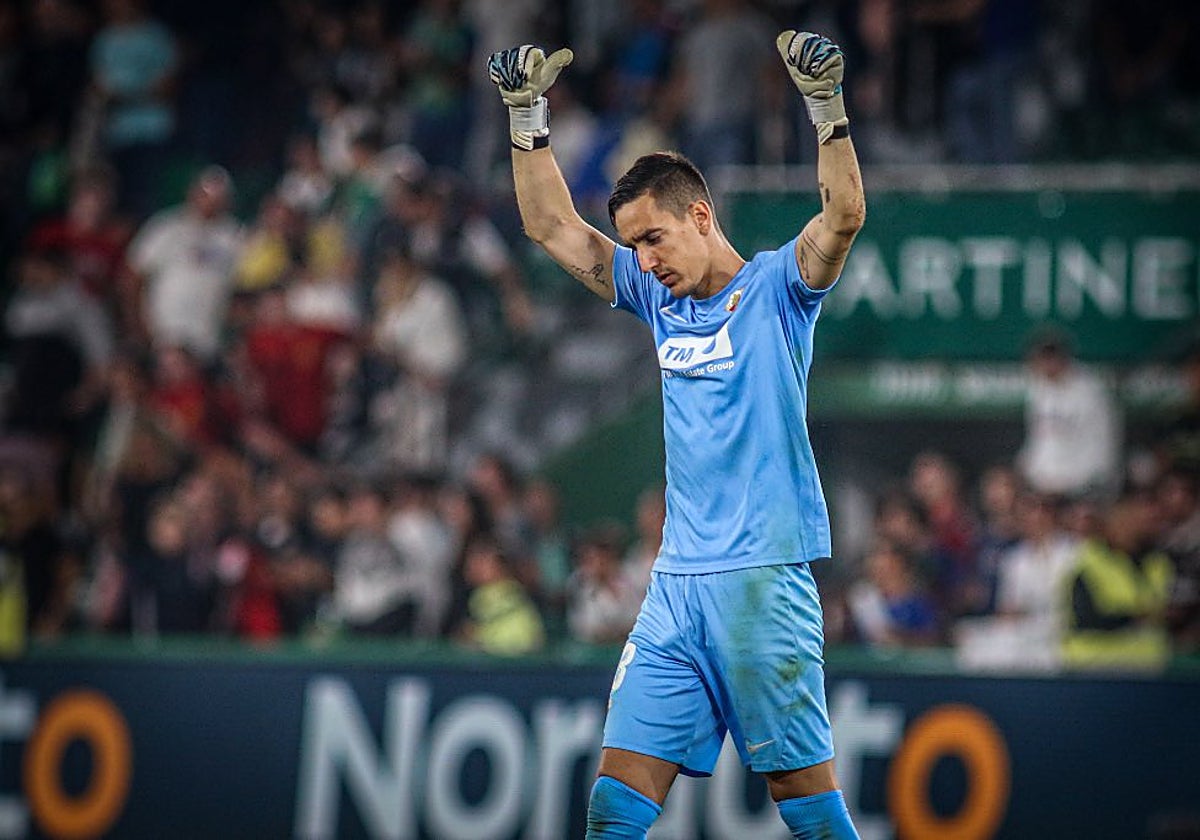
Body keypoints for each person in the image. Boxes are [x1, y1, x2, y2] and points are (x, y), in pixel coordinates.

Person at [488, 29, 864, 839]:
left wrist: (825, 106)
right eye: (632, 246)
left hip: (761, 585)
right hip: (675, 591)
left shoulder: (777, 288)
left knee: (813, 820)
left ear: (701, 215)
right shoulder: (657, 298)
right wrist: (527, 115)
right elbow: (552, 226)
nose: (642, 259)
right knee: (614, 809)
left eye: (653, 238)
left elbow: (844, 216)